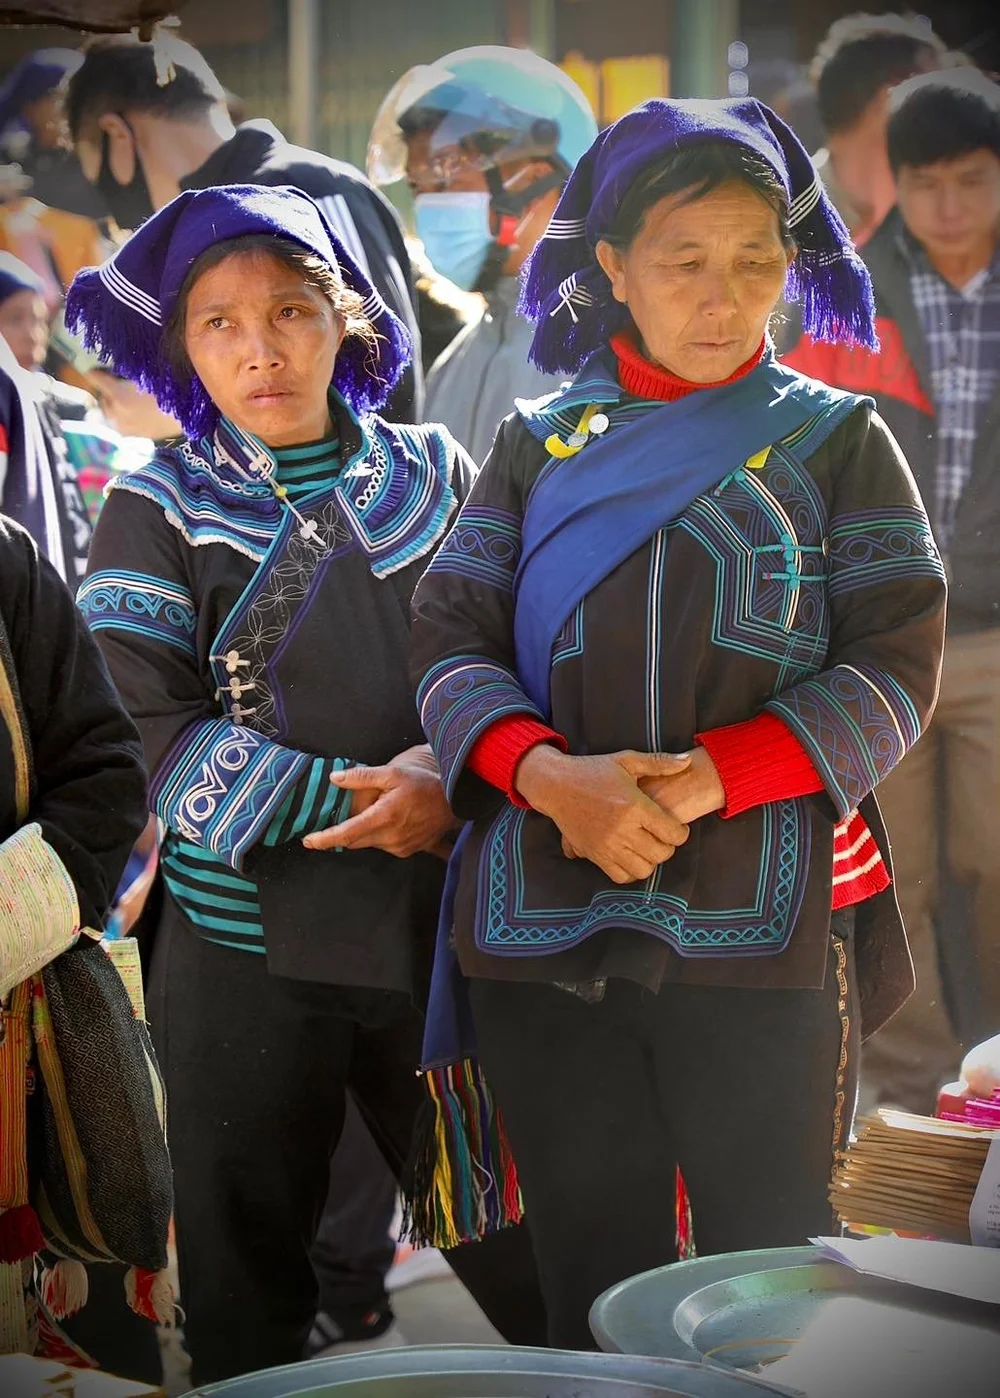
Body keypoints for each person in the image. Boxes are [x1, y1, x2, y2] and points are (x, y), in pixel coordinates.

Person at [409, 96, 947, 1350]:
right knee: (590, 1267)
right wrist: (548, 778)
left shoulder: (839, 441)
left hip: (759, 918)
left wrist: (709, 779)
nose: (724, 298)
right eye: (685, 263)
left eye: (756, 262)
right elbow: (447, 638)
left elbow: (893, 663)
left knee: (768, 1270)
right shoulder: (537, 447)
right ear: (610, 268)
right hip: (544, 914)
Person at [66, 183, 545, 1383]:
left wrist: (453, 771)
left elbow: (513, 650)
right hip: (239, 957)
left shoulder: (437, 475)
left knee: (523, 1249)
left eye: (290, 311)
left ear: (349, 325)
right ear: (183, 347)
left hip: (435, 937)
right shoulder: (155, 503)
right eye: (219, 323)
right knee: (245, 1290)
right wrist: (372, 799)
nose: (259, 348)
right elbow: (147, 726)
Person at [782, 68, 1000, 1113]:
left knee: (996, 867)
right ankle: (913, 1096)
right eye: (927, 185)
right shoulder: (843, 300)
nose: (949, 208)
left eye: (971, 180)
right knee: (894, 873)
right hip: (879, 643)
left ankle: (995, 1080)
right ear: (894, 186)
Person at [64, 29, 423, 421]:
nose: (112, 212)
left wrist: (174, 414)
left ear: (117, 134)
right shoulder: (202, 223)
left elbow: (379, 368)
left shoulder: (308, 191)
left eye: (94, 171)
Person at [369, 45, 597, 466]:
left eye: (442, 179)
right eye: (418, 189)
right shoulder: (456, 361)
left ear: (535, 177)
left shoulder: (604, 353)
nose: (426, 207)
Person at [808, 13, 946, 245]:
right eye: (936, 97)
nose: (950, 117)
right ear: (890, 100)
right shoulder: (782, 217)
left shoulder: (944, 224)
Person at [0, 48, 109, 221]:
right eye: (59, 96)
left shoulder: (99, 156)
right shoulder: (11, 157)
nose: (71, 106)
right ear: (30, 106)